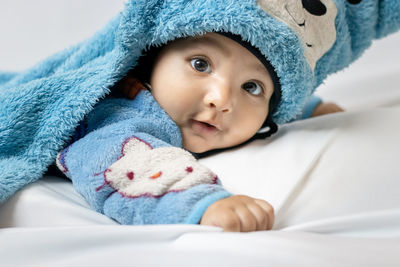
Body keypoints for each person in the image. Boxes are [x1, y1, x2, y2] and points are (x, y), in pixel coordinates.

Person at [55, 32, 342, 232]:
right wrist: (201, 203)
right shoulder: (126, 114)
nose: (221, 100)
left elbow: (281, 102)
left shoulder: (264, 110)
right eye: (200, 64)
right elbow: (124, 163)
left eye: (251, 87)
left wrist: (311, 108)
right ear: (152, 60)